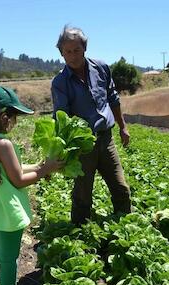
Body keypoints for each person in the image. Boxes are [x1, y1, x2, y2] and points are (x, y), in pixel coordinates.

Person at [0, 86, 63, 285]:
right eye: (15, 117)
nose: (15, 122)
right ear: (5, 117)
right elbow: (18, 180)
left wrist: (39, 166)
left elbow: (10, 171)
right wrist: (45, 170)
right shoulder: (4, 144)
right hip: (9, 211)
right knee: (8, 259)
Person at [51, 25, 132, 225]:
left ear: (84, 48)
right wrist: (62, 152)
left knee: (120, 187)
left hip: (106, 139)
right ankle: (80, 231)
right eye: (67, 52)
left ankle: (127, 225)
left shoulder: (101, 68)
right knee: (82, 193)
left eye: (76, 50)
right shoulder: (60, 83)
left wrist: (123, 127)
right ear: (61, 53)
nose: (72, 56)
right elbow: (62, 117)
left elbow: (113, 99)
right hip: (83, 146)